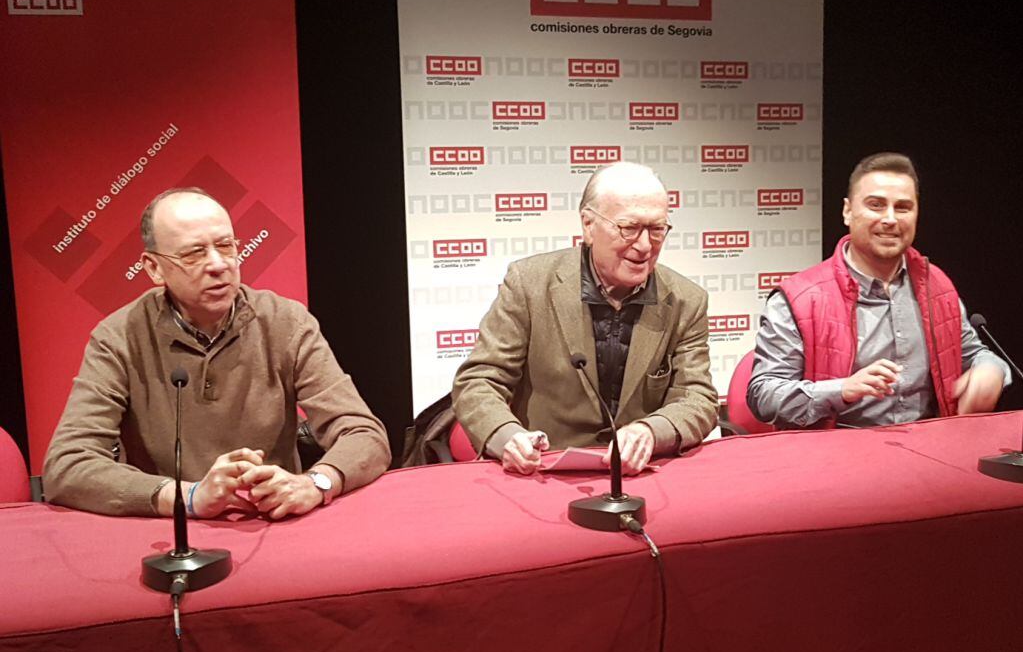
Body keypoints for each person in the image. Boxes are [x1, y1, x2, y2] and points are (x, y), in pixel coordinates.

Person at [43, 188, 390, 518]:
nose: (218, 264)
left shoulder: (286, 321)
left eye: (225, 246)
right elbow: (67, 466)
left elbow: (364, 434)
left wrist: (315, 483)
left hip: (276, 523)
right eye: (194, 253)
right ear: (153, 268)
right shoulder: (119, 337)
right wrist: (188, 497)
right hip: (171, 535)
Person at [452, 161, 718, 475]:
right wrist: (508, 437)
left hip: (642, 474)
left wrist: (651, 431)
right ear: (588, 225)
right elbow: (479, 381)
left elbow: (697, 396)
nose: (645, 245)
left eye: (657, 229)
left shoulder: (687, 300)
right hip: (545, 471)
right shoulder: (529, 283)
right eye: (629, 228)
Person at [747, 152, 1009, 429]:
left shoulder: (936, 285)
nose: (890, 219)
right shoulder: (800, 298)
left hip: (931, 446)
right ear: (847, 211)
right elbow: (763, 394)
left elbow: (972, 353)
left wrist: (993, 369)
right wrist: (842, 390)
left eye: (904, 207)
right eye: (876, 205)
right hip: (835, 455)